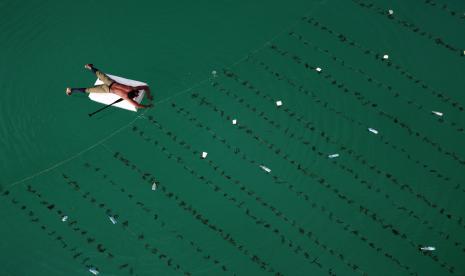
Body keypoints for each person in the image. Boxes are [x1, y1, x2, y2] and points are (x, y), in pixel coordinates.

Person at [66, 64, 153, 109]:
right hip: (107, 89)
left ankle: (89, 67)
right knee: (88, 90)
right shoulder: (126, 97)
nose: (138, 94)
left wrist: (148, 95)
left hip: (110, 83)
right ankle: (71, 90)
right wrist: (147, 106)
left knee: (99, 74)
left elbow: (145, 87)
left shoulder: (132, 89)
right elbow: (137, 105)